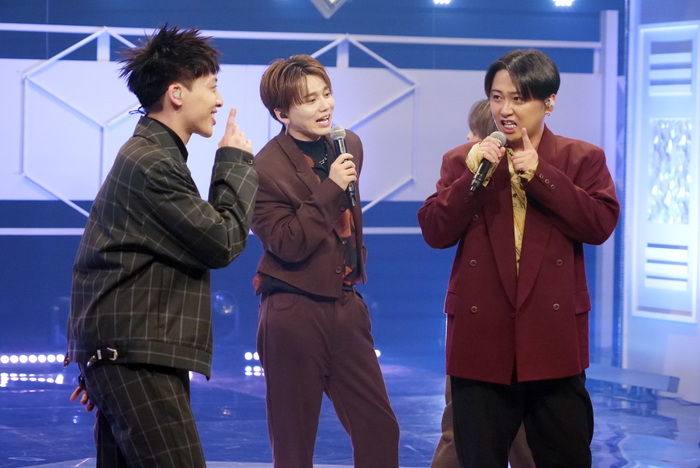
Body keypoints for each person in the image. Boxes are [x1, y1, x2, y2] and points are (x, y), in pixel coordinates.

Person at [64, 25, 258, 467]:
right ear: (176, 93)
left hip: (128, 354)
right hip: (133, 357)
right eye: (212, 86)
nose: (219, 100)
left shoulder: (151, 155)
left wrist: (96, 362)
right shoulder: (153, 163)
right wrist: (234, 161)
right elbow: (223, 242)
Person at [418, 49, 620, 467]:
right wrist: (472, 180)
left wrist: (541, 174)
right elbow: (435, 231)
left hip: (553, 342)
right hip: (481, 343)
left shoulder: (581, 158)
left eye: (518, 98)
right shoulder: (463, 161)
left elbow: (599, 225)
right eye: (496, 98)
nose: (505, 110)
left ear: (549, 102)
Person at [252, 54, 400, 468]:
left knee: (379, 426)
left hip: (344, 302)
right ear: (281, 113)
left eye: (326, 94)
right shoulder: (263, 169)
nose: (325, 106)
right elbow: (286, 243)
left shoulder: (348, 143)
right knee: (294, 442)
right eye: (309, 100)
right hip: (292, 309)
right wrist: (331, 187)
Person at [430, 99, 534, 468]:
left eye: (473, 135)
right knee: (461, 430)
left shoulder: (531, 174)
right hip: (475, 328)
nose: (467, 141)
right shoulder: (463, 170)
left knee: (524, 436)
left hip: (523, 328)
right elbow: (436, 226)